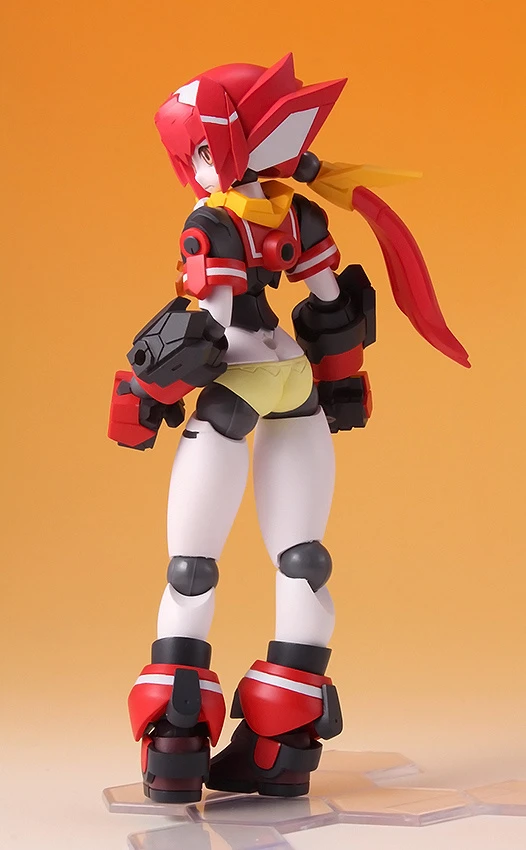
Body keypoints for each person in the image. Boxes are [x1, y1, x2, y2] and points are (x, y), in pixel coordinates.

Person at [108, 53, 469, 803]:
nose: (193, 168)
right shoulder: (297, 215)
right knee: (302, 558)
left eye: (195, 153)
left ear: (216, 146)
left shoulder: (211, 223)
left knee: (193, 566)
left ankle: (177, 739)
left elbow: (208, 326)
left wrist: (142, 390)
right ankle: (285, 744)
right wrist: (341, 383)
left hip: (235, 380)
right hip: (292, 377)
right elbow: (333, 308)